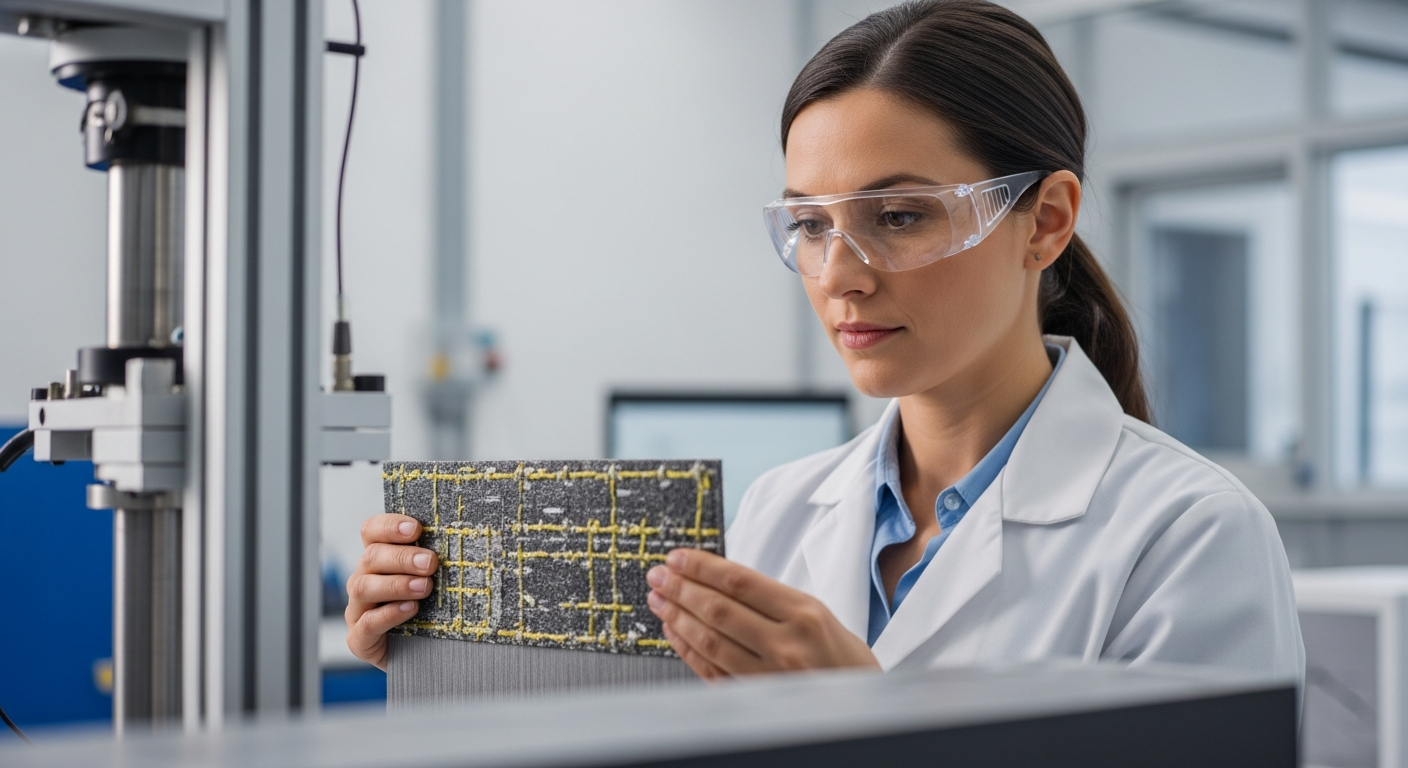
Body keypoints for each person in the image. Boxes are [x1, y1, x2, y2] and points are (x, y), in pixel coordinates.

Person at [345, 0, 1305, 683]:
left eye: (898, 215)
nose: (840, 272)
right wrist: (455, 642)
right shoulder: (779, 514)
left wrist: (865, 722)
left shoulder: (1186, 537)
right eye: (809, 225)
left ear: (1045, 220)